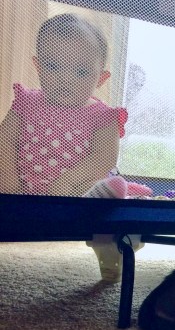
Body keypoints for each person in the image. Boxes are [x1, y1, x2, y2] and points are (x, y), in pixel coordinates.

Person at [0, 13, 127, 196]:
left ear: (101, 78)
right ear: (38, 67)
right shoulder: (26, 102)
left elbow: (103, 159)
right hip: (22, 192)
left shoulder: (103, 116)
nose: (65, 78)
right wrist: (10, 186)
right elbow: (5, 141)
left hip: (72, 194)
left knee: (96, 186)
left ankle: (98, 197)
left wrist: (66, 182)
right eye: (53, 66)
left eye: (81, 72)